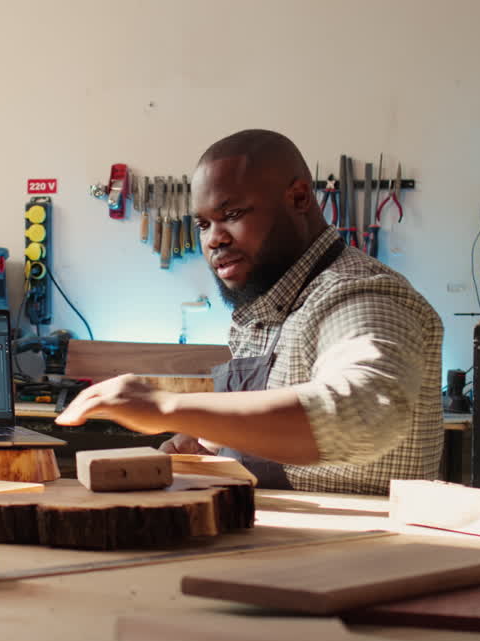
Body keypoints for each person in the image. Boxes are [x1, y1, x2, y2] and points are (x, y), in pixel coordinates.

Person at [56, 129, 443, 494]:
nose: (214, 240)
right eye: (204, 224)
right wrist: (211, 441)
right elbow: (277, 430)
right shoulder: (264, 310)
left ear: (299, 198)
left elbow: (362, 413)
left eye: (233, 214)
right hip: (279, 544)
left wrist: (166, 406)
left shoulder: (360, 294)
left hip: (365, 558)